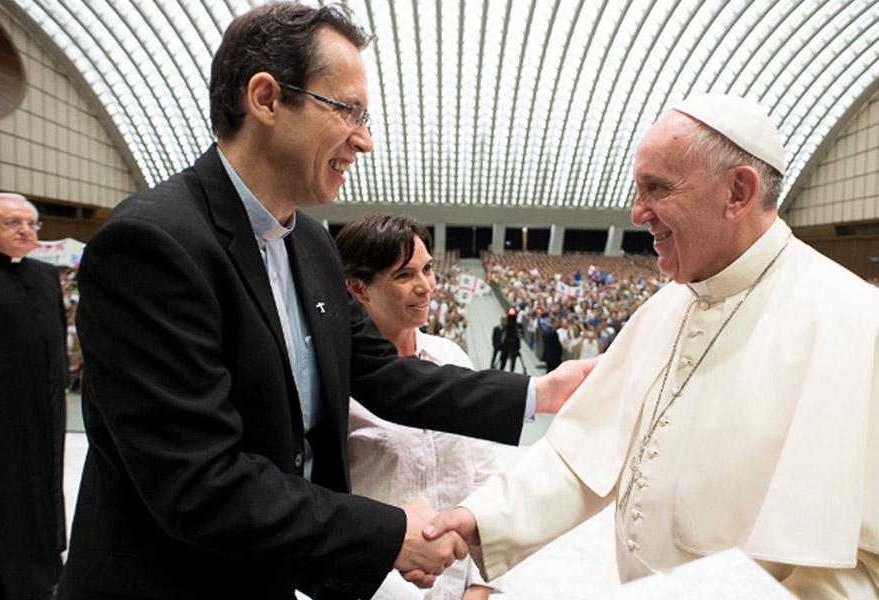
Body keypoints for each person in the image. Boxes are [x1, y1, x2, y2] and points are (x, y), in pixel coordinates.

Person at [58, 4, 591, 600]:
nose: (363, 140)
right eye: (348, 111)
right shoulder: (153, 245)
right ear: (265, 98)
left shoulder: (310, 243)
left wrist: (542, 393)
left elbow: (386, 376)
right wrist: (391, 533)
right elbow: (200, 482)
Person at [424, 93, 879, 598]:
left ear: (738, 191)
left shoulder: (854, 326)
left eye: (656, 188)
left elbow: (850, 572)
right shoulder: (668, 305)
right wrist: (477, 520)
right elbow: (582, 456)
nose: (638, 212)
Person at [337, 214, 502, 600]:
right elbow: (331, 509)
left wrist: (480, 584)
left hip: (461, 585)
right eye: (404, 276)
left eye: (427, 269)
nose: (426, 286)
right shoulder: (336, 385)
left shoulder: (452, 358)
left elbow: (484, 477)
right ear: (359, 289)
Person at [0, 193, 68, 600]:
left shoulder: (46, 277)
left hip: (45, 407)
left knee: (44, 485)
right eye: (14, 223)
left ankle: (43, 569)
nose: (25, 230)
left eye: (32, 224)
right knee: (3, 489)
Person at [499, 308, 523, 372]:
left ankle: (501, 370)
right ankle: (510, 371)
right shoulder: (517, 326)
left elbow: (503, 337)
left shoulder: (506, 326)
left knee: (504, 359)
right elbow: (520, 336)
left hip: (507, 344)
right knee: (512, 360)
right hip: (513, 344)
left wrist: (502, 343)